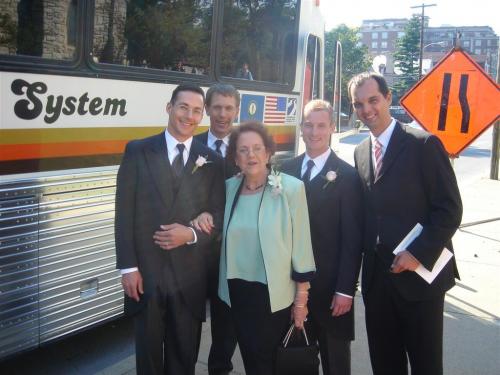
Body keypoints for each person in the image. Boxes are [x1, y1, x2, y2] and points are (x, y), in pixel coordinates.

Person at [349, 72, 463, 375]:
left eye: (373, 100)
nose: (367, 110)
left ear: (388, 98)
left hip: (420, 280)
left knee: (426, 367)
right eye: (358, 104)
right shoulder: (360, 152)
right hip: (378, 284)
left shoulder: (423, 144)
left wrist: (418, 252)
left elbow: (450, 209)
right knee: (385, 366)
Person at [115, 83, 225, 375]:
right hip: (147, 276)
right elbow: (123, 212)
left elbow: (219, 214)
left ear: (202, 116)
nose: (189, 116)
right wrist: (128, 268)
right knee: (148, 361)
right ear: (169, 108)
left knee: (183, 358)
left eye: (196, 111)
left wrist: (190, 234)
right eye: (183, 107)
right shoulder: (138, 150)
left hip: (189, 278)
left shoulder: (212, 161)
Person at [195, 122, 316, 375]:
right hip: (234, 293)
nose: (251, 155)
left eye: (257, 148)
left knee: (269, 364)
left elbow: (302, 246)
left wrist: (301, 301)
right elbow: (213, 219)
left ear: (269, 153)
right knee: (250, 360)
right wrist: (202, 216)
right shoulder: (228, 189)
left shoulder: (291, 188)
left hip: (273, 295)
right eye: (243, 150)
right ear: (235, 158)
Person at [281, 99, 364, 375]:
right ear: (301, 127)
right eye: (308, 125)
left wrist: (345, 290)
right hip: (289, 287)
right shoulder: (284, 171)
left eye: (320, 125)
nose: (313, 132)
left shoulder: (349, 177)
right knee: (295, 362)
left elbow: (353, 240)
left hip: (331, 291)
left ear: (331, 128)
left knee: (335, 363)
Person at [194, 84, 240, 375]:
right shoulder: (191, 144)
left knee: (226, 324)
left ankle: (219, 369)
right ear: (207, 109)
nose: (222, 114)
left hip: (232, 252)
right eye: (216, 107)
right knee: (187, 321)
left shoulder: (247, 146)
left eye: (228, 108)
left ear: (236, 109)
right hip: (195, 252)